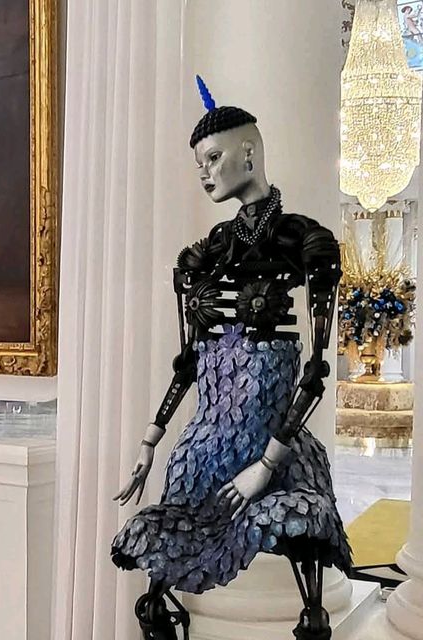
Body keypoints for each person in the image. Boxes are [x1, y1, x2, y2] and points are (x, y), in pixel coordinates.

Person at [111, 79, 352, 640]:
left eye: (214, 158)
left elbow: (316, 371)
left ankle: (313, 618)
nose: (205, 173)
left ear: (249, 152)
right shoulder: (205, 255)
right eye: (199, 163)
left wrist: (266, 464)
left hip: (274, 439)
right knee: (159, 547)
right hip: (206, 442)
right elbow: (188, 362)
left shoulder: (308, 242)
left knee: (299, 530)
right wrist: (151, 439)